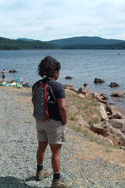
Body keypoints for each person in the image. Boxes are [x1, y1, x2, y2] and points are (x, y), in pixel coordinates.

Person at [32, 56, 71, 188]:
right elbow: (62, 107)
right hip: (54, 123)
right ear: (55, 72)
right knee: (56, 152)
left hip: (40, 120)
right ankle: (57, 181)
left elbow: (33, 101)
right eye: (58, 71)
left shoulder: (36, 84)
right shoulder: (58, 86)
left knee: (41, 148)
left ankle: (39, 172)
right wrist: (65, 121)